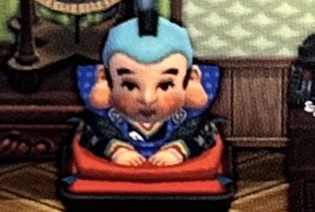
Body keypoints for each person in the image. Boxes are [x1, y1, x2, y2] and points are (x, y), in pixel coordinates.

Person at [78, 10, 218, 167]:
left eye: (165, 85)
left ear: (191, 78)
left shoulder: (190, 117)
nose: (147, 98)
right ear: (104, 78)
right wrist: (117, 150)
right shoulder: (104, 117)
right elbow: (90, 133)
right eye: (129, 85)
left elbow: (205, 133)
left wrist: (177, 150)